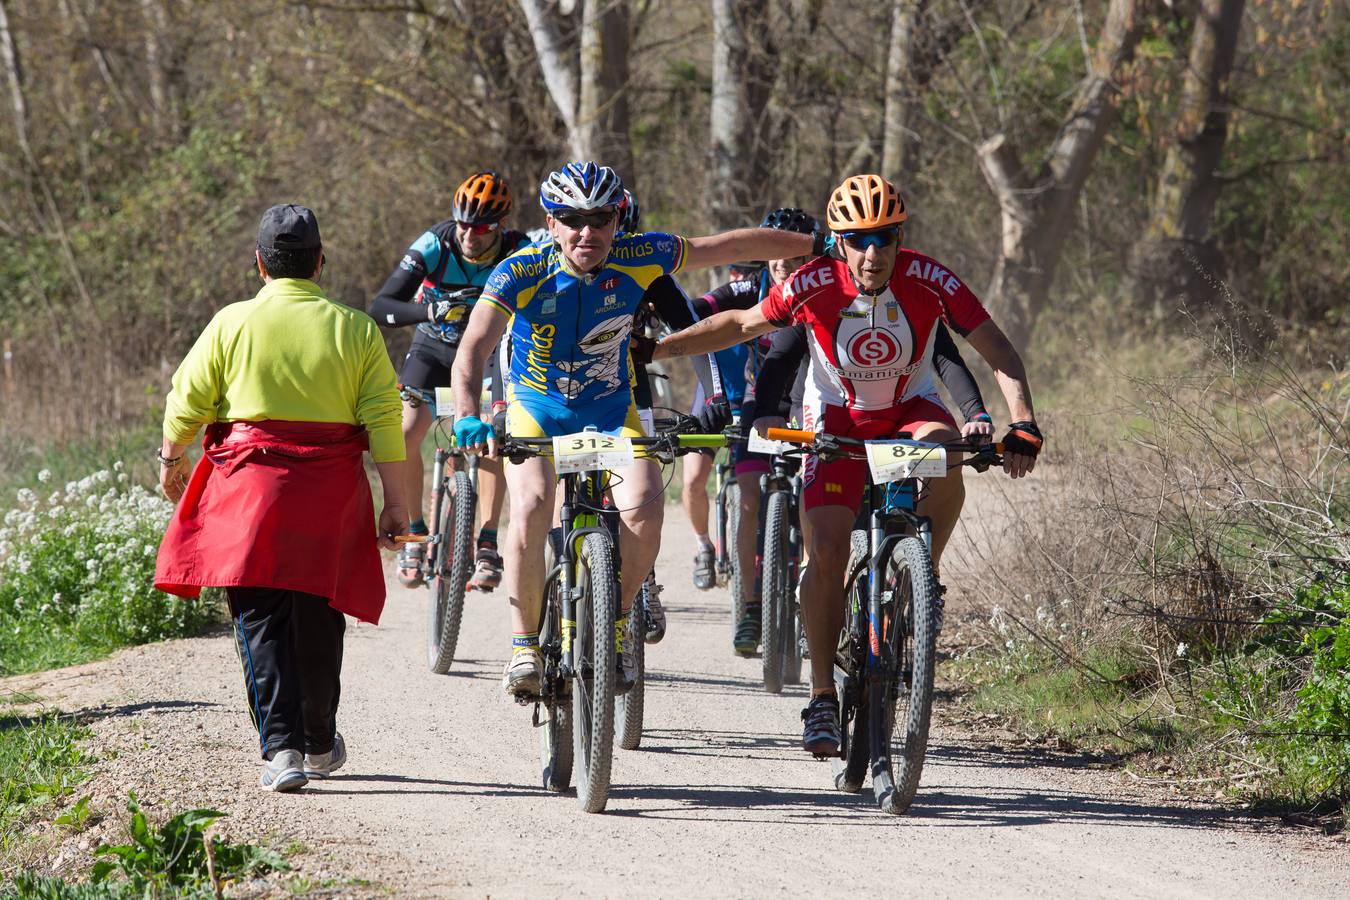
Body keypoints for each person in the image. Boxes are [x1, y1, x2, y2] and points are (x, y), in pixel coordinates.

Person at [653, 174, 1043, 755]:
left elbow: (996, 346)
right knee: (828, 549)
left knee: (944, 454)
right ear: (836, 239)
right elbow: (739, 325)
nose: (872, 253)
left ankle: (920, 575)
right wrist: (658, 348)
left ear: (900, 236)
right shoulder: (810, 282)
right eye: (857, 240)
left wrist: (1023, 420)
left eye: (885, 239)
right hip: (836, 418)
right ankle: (820, 699)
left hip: (911, 409)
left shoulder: (929, 277)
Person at [449, 161, 820, 699]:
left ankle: (616, 619)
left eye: (600, 219)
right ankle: (524, 646)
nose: (587, 232)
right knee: (529, 505)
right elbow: (473, 350)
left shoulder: (639, 254)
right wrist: (466, 415)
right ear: (550, 222)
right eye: (572, 219)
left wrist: (819, 242)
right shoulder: (519, 269)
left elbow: (731, 245)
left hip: (609, 409)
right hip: (537, 408)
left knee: (645, 505)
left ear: (616, 219)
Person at [154, 205, 407, 792]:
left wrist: (171, 459)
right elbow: (384, 421)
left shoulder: (230, 323)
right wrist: (396, 502)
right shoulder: (355, 329)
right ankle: (319, 741)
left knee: (261, 616)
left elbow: (186, 400)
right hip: (330, 495)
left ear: (260, 264)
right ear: (321, 262)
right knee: (320, 612)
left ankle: (283, 750)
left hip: (251, 494)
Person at [369, 171, 530, 592]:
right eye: (462, 224)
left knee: (495, 434)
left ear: (500, 227)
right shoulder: (435, 244)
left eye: (480, 228)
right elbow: (381, 306)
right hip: (434, 348)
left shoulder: (519, 251)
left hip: (490, 354)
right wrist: (429, 312)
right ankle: (415, 532)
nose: (469, 235)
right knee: (405, 430)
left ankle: (488, 541)